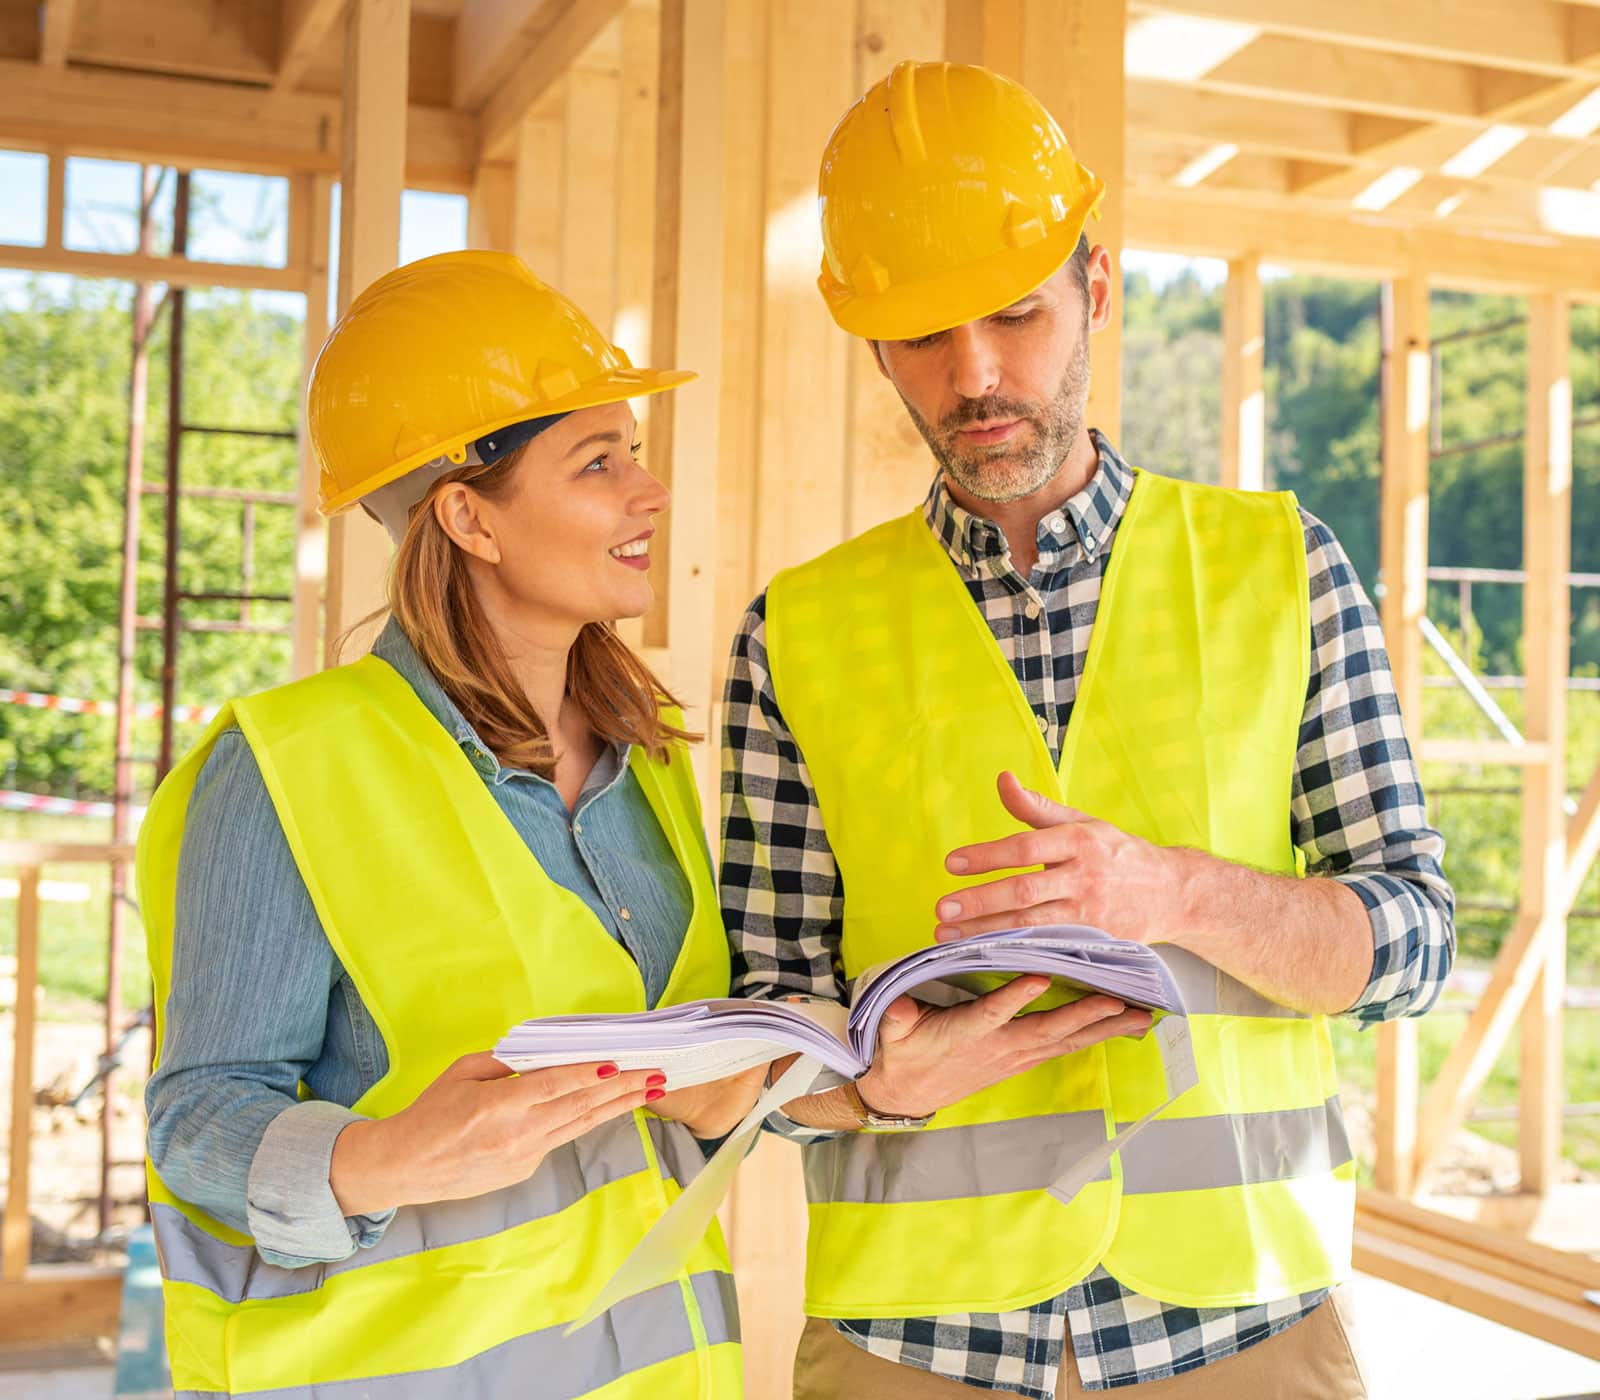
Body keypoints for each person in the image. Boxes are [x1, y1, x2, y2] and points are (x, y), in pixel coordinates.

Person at [721, 62, 1454, 1398]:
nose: (978, 374)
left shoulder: (1280, 569)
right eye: (925, 337)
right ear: (876, 347)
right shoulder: (797, 634)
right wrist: (873, 1084)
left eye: (1016, 313)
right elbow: (761, 1023)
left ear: (1097, 289)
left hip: (1244, 1327)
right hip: (912, 1345)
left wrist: (1172, 892)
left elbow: (1412, 945)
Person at [142, 250, 756, 1399]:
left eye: (635, 451)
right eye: (598, 460)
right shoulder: (288, 767)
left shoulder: (646, 752)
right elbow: (197, 1114)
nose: (649, 489)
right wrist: (387, 1156)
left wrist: (731, 1096)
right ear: (470, 517)